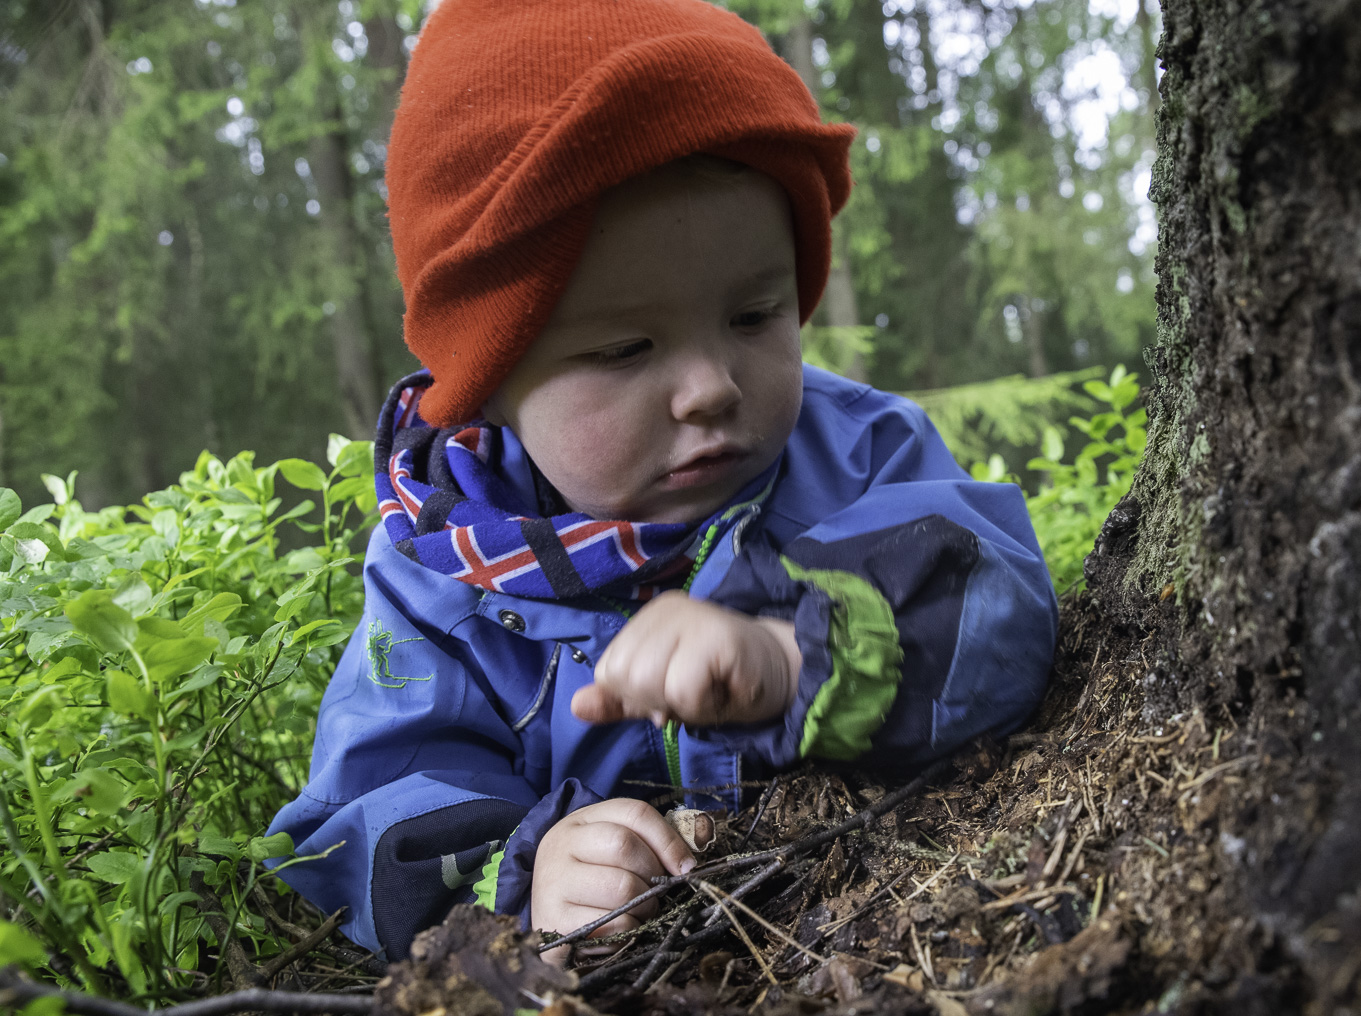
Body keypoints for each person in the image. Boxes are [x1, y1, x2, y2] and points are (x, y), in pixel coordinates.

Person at [267, 0, 1058, 961]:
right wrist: (524, 871)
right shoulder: (439, 568)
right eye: (627, 346)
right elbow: (362, 815)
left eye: (755, 315)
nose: (712, 387)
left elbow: (1004, 611)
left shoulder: (860, 454)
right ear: (494, 381)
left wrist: (795, 658)